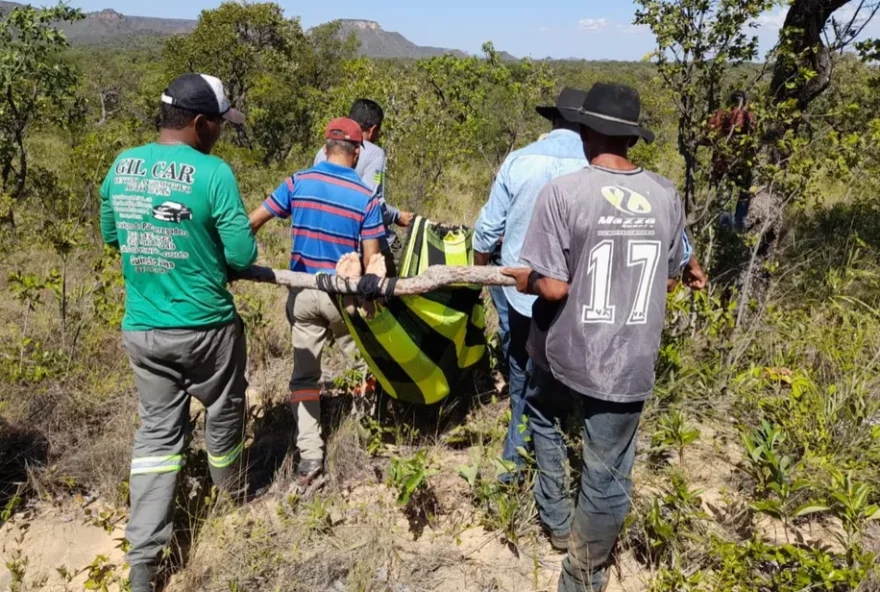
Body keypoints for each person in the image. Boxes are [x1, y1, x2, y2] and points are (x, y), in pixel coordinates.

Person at [504, 82, 707, 592]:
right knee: (608, 472)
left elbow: (551, 286)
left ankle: (554, 522)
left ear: (585, 130)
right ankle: (583, 577)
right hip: (630, 359)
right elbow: (670, 273)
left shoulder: (565, 192)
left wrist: (522, 276)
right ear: (632, 138)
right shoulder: (664, 193)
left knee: (543, 413)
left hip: (564, 348)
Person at [100, 73, 257, 592]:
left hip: (143, 330)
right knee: (224, 408)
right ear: (198, 122)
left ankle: (143, 564)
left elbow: (110, 234)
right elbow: (241, 256)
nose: (221, 133)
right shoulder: (214, 173)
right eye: (218, 124)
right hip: (207, 328)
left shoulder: (122, 165)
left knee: (157, 438)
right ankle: (230, 497)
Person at [250, 117, 385, 487]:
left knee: (304, 377)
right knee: (362, 365)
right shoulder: (366, 197)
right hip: (342, 297)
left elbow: (254, 222)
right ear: (357, 153)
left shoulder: (298, 182)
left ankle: (310, 457)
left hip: (303, 293)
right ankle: (367, 430)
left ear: (326, 148)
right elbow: (371, 264)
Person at [474, 88, 590, 482]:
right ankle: (557, 462)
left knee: (521, 369)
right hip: (576, 294)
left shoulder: (519, 160)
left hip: (520, 288)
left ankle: (515, 463)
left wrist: (481, 276)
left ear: (553, 120)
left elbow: (487, 231)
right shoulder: (595, 166)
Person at [315, 99, 414, 271]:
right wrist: (397, 216)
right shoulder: (374, 153)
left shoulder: (323, 151)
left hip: (327, 244)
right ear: (374, 129)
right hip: (364, 245)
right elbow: (373, 204)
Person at [709, 90, 756, 231]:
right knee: (743, 197)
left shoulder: (719, 116)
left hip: (721, 164)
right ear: (745, 101)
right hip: (743, 165)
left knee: (723, 201)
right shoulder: (750, 117)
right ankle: (739, 231)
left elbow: (708, 137)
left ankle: (724, 235)